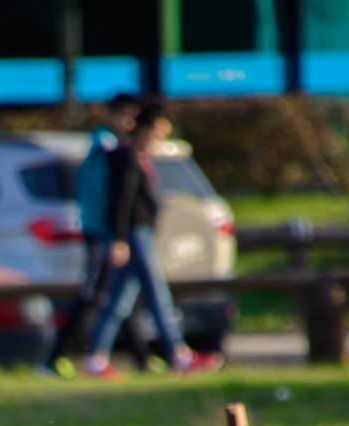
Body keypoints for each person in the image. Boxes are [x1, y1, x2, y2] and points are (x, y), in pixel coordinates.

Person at [84, 103, 222, 377]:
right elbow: (120, 202)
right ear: (146, 128)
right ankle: (178, 354)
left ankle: (95, 358)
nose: (160, 139)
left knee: (120, 300)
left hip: (139, 233)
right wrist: (120, 238)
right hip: (134, 234)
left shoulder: (138, 156)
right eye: (158, 132)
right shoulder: (126, 157)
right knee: (157, 294)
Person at [45, 93, 156, 378]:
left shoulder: (108, 146)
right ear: (113, 114)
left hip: (104, 230)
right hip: (100, 231)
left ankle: (143, 358)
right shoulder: (105, 147)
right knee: (95, 292)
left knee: (117, 293)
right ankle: (56, 358)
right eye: (126, 116)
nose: (130, 123)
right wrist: (112, 232)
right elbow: (103, 195)